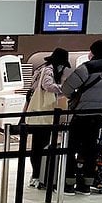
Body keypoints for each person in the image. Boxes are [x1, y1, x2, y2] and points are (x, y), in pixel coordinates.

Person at [61, 40, 102, 194]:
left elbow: (67, 88)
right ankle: (86, 184)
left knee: (71, 148)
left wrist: (74, 97)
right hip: (99, 116)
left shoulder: (86, 68)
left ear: (92, 52)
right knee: (90, 149)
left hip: (82, 114)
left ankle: (69, 183)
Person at [24, 47, 69, 188]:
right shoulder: (49, 70)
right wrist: (65, 88)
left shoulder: (40, 69)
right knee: (41, 146)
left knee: (37, 146)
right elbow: (47, 86)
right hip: (43, 114)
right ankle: (38, 175)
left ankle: (36, 175)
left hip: (36, 112)